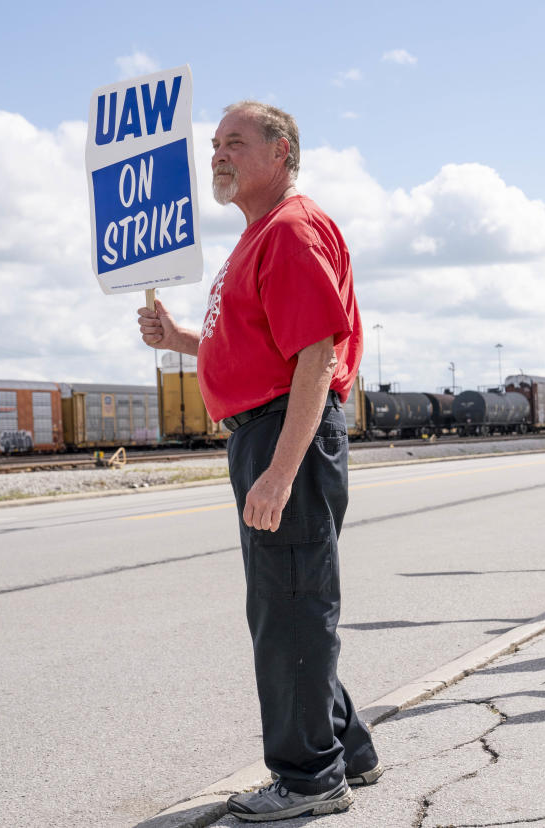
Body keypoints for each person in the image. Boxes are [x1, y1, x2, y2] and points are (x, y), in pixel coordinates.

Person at [138, 101, 379, 821]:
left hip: (285, 435)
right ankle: (348, 752)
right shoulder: (255, 237)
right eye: (214, 145)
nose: (218, 155)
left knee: (292, 610)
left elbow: (314, 353)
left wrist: (279, 470)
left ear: (281, 153)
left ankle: (309, 780)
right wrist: (182, 339)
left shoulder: (291, 228)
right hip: (265, 430)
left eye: (234, 143)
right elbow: (258, 345)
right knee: (288, 605)